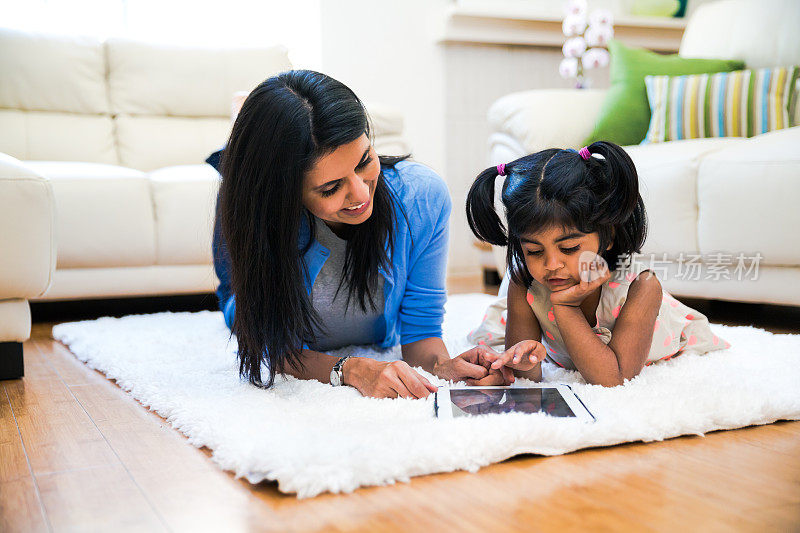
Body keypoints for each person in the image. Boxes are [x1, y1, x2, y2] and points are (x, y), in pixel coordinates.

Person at [210, 70, 508, 399]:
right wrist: (351, 369)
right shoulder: (262, 214)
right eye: (331, 187)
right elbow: (272, 346)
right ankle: (240, 139)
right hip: (248, 262)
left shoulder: (421, 197)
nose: (361, 194)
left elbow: (421, 331)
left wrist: (443, 366)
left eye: (365, 160)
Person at [464, 142, 730, 387]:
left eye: (569, 248)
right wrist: (524, 360)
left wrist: (565, 307)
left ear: (609, 236)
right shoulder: (525, 284)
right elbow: (525, 378)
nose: (552, 264)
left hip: (670, 338)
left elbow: (613, 380)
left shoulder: (641, 289)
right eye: (534, 251)